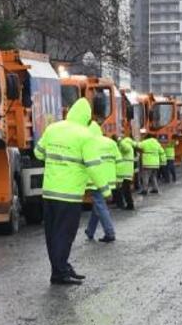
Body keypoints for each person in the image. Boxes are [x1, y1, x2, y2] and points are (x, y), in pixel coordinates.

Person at [34, 98, 109, 286]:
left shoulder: (53, 129)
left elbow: (38, 153)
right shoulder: (85, 135)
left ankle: (61, 268)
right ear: (86, 117)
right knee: (65, 234)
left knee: (52, 234)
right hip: (69, 195)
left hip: (49, 192)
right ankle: (60, 273)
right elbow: (94, 165)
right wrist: (106, 190)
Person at [85, 123, 118, 243]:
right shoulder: (111, 142)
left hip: (96, 180)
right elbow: (118, 159)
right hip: (110, 179)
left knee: (100, 205)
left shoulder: (89, 143)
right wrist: (118, 179)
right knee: (97, 206)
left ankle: (109, 233)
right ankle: (90, 231)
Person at [114, 135, 136, 210]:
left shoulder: (126, 144)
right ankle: (127, 204)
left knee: (125, 189)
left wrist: (119, 140)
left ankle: (129, 205)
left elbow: (125, 148)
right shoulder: (128, 145)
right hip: (125, 172)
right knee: (124, 189)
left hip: (124, 172)